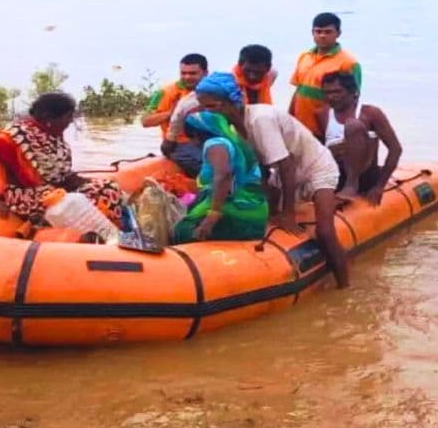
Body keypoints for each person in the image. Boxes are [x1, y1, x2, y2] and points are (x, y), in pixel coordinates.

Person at [194, 73, 350, 288]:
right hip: (280, 172)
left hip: (316, 167)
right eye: (204, 108)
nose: (207, 113)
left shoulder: (260, 120)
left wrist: (288, 213)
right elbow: (261, 169)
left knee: (324, 231)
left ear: (230, 103)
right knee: (267, 220)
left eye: (211, 107)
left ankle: (344, 286)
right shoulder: (229, 129)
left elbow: (287, 165)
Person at [0, 92, 125, 227]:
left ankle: (119, 230)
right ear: (50, 118)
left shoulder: (52, 133)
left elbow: (60, 173)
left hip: (54, 189)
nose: (71, 121)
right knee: (68, 201)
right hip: (23, 195)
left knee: (107, 187)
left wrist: (82, 181)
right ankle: (97, 236)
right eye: (67, 116)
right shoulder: (15, 135)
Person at [172, 112, 269, 243]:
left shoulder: (214, 144)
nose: (193, 144)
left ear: (196, 134)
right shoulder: (238, 141)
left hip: (235, 212)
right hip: (257, 212)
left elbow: (223, 175)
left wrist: (213, 215)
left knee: (181, 232)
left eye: (191, 138)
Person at [319, 71, 402, 205]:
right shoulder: (323, 114)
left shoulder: (370, 113)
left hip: (366, 174)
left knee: (353, 126)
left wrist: (379, 187)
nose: (332, 97)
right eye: (327, 93)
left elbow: (395, 149)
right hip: (336, 175)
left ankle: (351, 185)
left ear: (354, 93)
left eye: (337, 92)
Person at [289, 12, 361, 138]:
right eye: (318, 31)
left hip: (325, 128)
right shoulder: (305, 57)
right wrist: (289, 117)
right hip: (299, 125)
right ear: (312, 33)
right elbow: (298, 90)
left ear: (338, 33)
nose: (322, 36)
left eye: (328, 32)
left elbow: (354, 98)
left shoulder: (348, 62)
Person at [144, 53, 208, 177]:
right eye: (183, 73)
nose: (187, 77)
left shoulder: (212, 90)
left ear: (205, 73)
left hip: (206, 139)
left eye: (193, 73)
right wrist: (170, 113)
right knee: (210, 167)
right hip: (178, 143)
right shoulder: (166, 92)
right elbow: (145, 121)